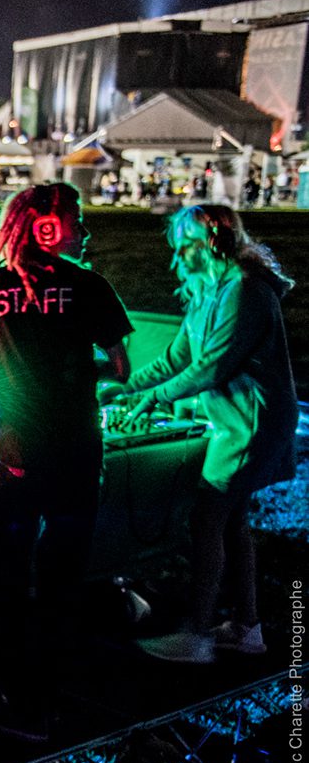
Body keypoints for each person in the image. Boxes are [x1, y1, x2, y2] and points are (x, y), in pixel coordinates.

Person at [0, 182, 132, 742]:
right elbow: (120, 368)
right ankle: (55, 699)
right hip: (78, 450)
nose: (84, 230)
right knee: (63, 577)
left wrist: (12, 366)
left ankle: (18, 703)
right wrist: (74, 371)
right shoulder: (90, 286)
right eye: (77, 219)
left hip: (17, 454)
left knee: (9, 581)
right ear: (47, 226)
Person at [124, 205, 297, 663]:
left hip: (250, 424)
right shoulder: (208, 290)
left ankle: (197, 635)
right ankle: (246, 627)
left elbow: (211, 368)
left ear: (213, 244)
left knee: (207, 519)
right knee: (233, 523)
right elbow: (177, 357)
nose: (177, 255)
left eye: (186, 245)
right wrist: (126, 386)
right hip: (235, 420)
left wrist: (155, 397)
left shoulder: (244, 289)